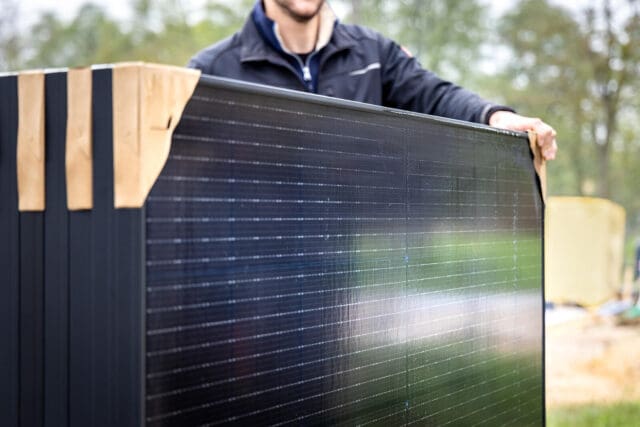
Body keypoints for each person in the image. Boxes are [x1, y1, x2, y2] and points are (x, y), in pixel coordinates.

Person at [188, 0, 557, 160]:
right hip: (243, 281)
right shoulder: (212, 71)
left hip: (338, 275)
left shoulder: (373, 56)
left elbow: (434, 95)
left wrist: (497, 118)